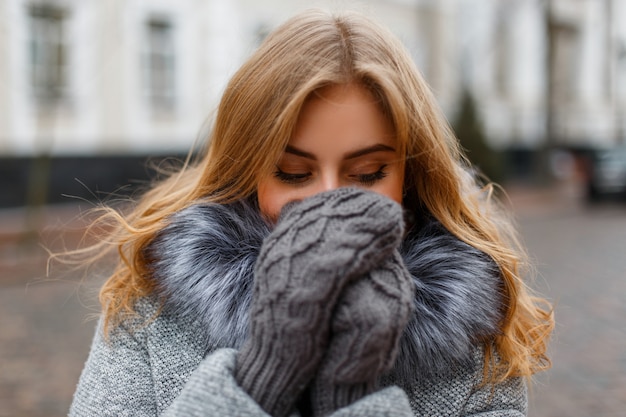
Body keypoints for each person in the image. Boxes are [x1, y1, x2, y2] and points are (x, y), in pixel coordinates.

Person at [67, 9, 553, 417]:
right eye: (292, 174)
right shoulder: (154, 308)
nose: (327, 201)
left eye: (366, 174)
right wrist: (262, 378)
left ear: (410, 177)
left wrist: (351, 392)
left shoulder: (472, 335)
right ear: (247, 173)